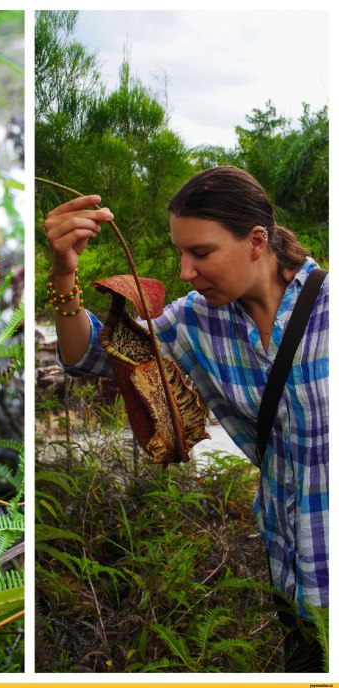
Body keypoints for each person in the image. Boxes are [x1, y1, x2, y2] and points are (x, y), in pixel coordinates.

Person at [43, 166, 328, 672]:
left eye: (201, 252)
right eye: (181, 252)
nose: (185, 271)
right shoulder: (200, 318)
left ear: (256, 241)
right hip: (290, 574)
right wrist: (64, 274)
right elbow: (89, 356)